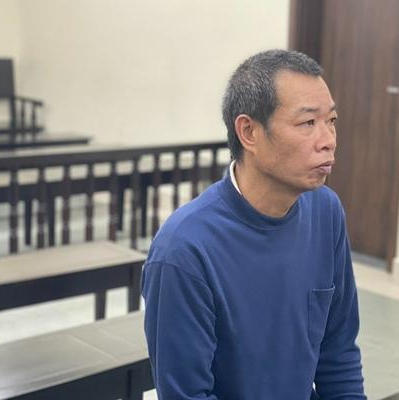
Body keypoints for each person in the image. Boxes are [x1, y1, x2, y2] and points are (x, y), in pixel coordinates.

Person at [141, 49, 366, 399]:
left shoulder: (326, 210)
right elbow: (187, 394)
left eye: (331, 121)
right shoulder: (183, 250)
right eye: (308, 123)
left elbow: (338, 353)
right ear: (249, 132)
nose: (328, 141)